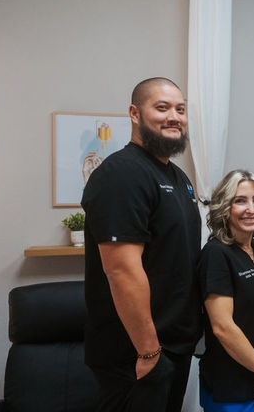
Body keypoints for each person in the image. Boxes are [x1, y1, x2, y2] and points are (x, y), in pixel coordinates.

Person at [81, 77, 202, 412]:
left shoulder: (178, 178)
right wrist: (149, 352)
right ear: (135, 113)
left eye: (180, 109)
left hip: (172, 348)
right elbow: (121, 271)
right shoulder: (122, 174)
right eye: (161, 108)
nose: (174, 116)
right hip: (136, 355)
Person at [198, 170, 254, 412]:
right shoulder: (216, 254)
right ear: (225, 208)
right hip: (231, 384)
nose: (251, 208)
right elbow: (222, 327)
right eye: (240, 201)